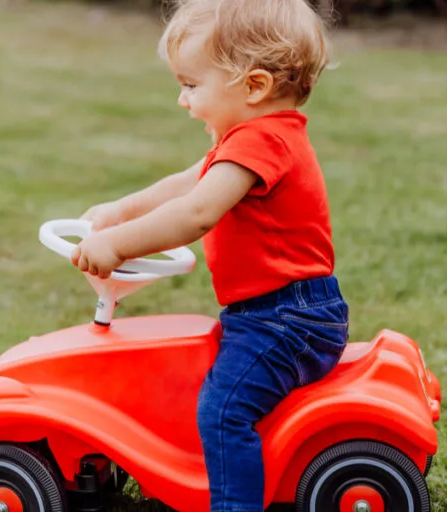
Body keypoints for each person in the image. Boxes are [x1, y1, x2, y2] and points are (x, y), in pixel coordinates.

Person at [70, 0, 347, 509]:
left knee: (223, 409)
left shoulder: (262, 141)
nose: (182, 99)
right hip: (274, 314)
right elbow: (185, 182)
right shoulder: (250, 138)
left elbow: (196, 212)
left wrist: (114, 245)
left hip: (287, 322)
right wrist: (119, 211)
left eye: (192, 85)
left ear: (254, 86)